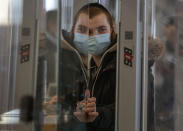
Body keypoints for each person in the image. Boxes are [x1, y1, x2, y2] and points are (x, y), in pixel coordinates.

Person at [60, 3, 117, 131]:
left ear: (112, 31)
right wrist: (63, 102)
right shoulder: (89, 65)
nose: (92, 37)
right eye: (83, 29)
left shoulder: (126, 64)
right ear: (73, 31)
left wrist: (96, 115)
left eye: (101, 30)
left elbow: (130, 109)